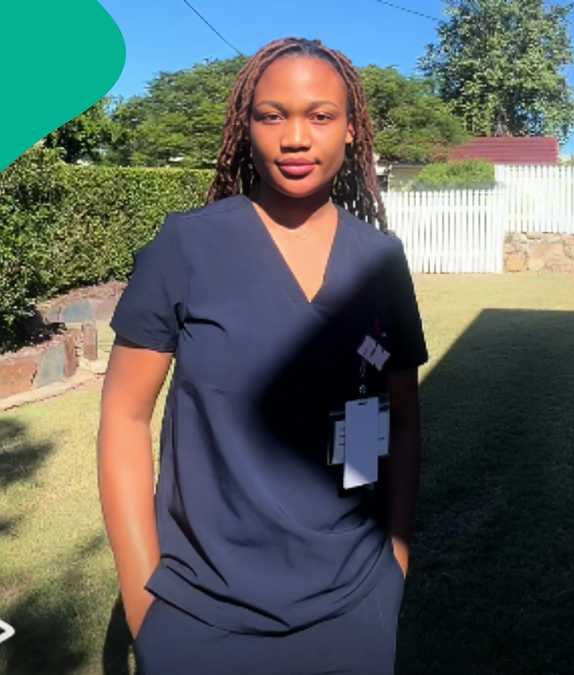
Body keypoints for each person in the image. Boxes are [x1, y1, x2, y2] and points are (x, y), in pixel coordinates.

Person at [96, 37, 427, 674]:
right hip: (200, 614)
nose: (295, 137)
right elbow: (124, 419)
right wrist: (146, 605)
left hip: (354, 606)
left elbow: (392, 418)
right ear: (246, 128)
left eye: (320, 115)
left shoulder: (379, 262)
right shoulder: (187, 247)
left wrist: (393, 563)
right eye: (272, 115)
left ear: (353, 130)